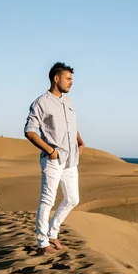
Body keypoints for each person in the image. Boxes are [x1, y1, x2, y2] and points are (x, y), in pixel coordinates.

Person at [24, 62, 86, 255]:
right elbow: (29, 131)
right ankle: (42, 243)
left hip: (71, 160)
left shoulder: (69, 102)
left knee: (73, 199)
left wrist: (81, 143)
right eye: (68, 79)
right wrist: (50, 150)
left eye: (72, 79)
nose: (71, 83)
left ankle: (52, 233)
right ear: (56, 78)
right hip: (53, 159)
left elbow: (71, 127)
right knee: (47, 200)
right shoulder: (41, 102)